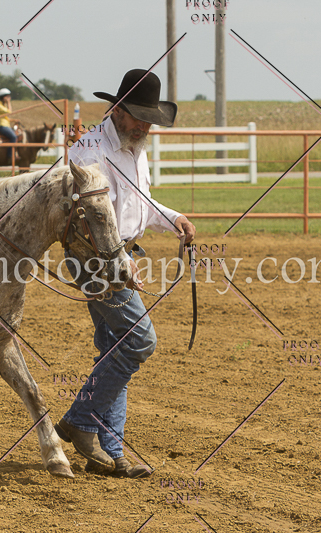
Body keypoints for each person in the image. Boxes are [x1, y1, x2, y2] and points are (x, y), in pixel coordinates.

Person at [56, 69, 196, 478]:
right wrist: (119, 259)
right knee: (139, 341)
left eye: (150, 119)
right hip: (95, 259)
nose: (145, 126)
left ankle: (111, 452)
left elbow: (142, 205)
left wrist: (174, 218)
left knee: (115, 351)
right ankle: (78, 421)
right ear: (116, 110)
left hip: (119, 256)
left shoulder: (135, 148)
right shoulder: (89, 151)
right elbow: (88, 219)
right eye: (139, 117)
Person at [0, 88, 17, 162]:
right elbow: (9, 112)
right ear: (4, 97)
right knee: (13, 137)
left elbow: (5, 117)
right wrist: (9, 102)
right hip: (2, 126)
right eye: (8, 97)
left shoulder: (2, 106)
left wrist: (13, 120)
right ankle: (10, 156)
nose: (9, 98)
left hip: (5, 125)